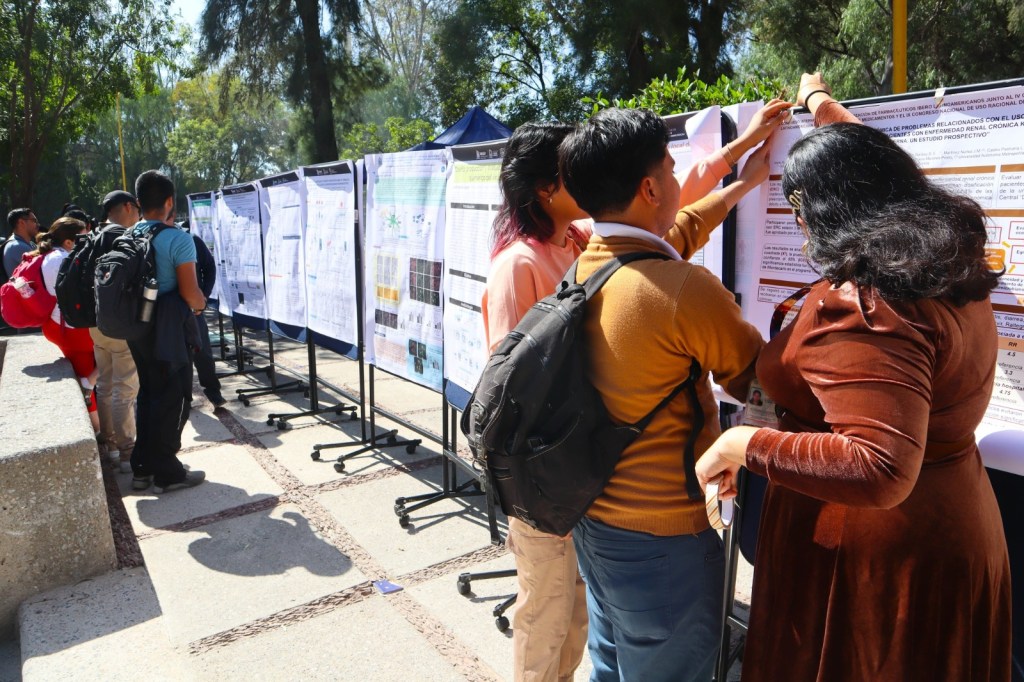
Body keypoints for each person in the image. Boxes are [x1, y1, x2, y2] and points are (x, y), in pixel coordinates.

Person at [695, 73, 1012, 681]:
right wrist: (818, 104)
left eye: (798, 206)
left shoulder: (867, 303)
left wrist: (743, 443)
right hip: (947, 523)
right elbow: (875, 164)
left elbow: (878, 464)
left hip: (873, 561)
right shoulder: (942, 256)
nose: (798, 223)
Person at [555, 105, 780, 682]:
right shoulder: (684, 292)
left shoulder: (587, 267)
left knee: (613, 663)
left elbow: (674, 235)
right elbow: (760, 378)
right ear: (650, 187)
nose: (682, 181)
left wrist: (740, 184)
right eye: (673, 170)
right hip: (666, 542)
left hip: (596, 521)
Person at [128, 170, 207, 494]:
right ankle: (168, 472)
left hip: (136, 327)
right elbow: (190, 293)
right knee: (172, 397)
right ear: (170, 202)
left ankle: (142, 468)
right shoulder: (177, 239)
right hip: (167, 328)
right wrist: (200, 305)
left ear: (137, 203)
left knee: (147, 393)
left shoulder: (130, 235)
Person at [90, 190, 142, 472]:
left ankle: (110, 446)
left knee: (106, 384)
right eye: (136, 207)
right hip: (118, 325)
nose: (138, 213)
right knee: (125, 388)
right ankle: (127, 453)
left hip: (94, 325)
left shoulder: (93, 237)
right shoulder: (122, 237)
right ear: (126, 206)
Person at [33, 217, 100, 432]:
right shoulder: (66, 259)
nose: (89, 240)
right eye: (84, 237)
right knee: (114, 354)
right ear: (70, 242)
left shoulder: (49, 256)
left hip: (56, 324)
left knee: (95, 366)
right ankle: (101, 433)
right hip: (72, 329)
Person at [190, 229, 225, 407]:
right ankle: (183, 397)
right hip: (168, 311)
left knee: (202, 352)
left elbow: (209, 267)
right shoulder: (152, 237)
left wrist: (204, 296)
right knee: (176, 358)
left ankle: (213, 392)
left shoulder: (191, 239)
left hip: (194, 310)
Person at [3, 208, 41, 281]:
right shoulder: (17, 246)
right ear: (21, 223)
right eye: (34, 221)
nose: (38, 224)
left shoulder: (29, 244)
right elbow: (42, 271)